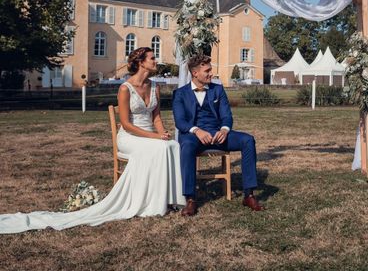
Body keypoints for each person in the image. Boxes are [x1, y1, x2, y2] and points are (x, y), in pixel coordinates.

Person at [0, 47, 184, 234]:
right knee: (158, 148)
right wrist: (155, 137)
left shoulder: (155, 86)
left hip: (149, 136)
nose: (156, 61)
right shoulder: (125, 88)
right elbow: (126, 125)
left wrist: (163, 133)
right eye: (152, 58)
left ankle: (169, 199)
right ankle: (150, 203)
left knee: (172, 145)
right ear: (141, 62)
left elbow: (157, 118)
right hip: (130, 138)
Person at [173, 54, 264, 215]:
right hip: (194, 136)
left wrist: (224, 129)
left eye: (211, 70)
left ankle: (249, 195)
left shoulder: (218, 89)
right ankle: (190, 199)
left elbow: (227, 115)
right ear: (195, 73)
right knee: (186, 146)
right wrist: (197, 131)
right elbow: (180, 122)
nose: (211, 74)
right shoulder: (180, 93)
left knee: (248, 140)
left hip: (218, 134)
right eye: (207, 70)